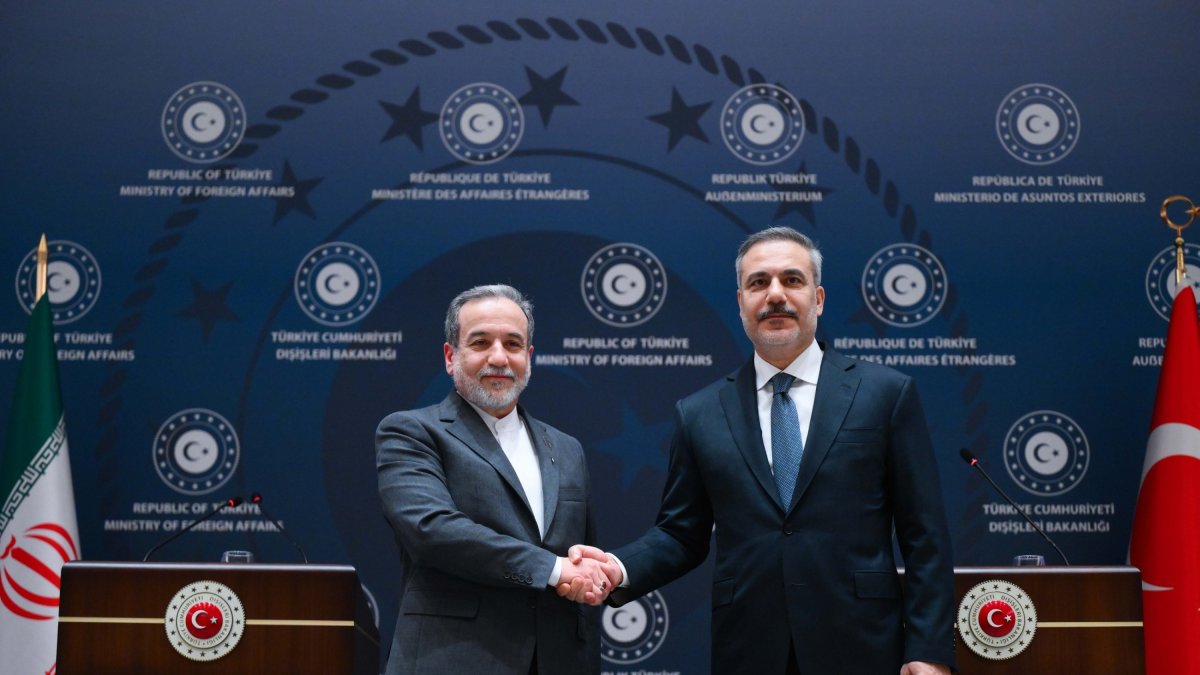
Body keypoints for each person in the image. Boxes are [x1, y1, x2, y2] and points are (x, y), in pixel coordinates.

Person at [562, 228, 957, 674]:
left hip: (862, 644)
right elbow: (681, 534)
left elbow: (924, 538)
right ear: (740, 303)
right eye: (758, 283)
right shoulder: (700, 412)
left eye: (792, 280)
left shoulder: (885, 394)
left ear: (819, 298)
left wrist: (929, 650)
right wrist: (617, 567)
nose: (775, 295)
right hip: (749, 648)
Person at [376, 284, 613, 674]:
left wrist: (588, 575)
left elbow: (580, 562)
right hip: (454, 661)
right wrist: (554, 569)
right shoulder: (411, 432)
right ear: (451, 356)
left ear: (529, 357)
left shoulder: (568, 448)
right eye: (481, 342)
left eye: (513, 344)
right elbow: (431, 530)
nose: (499, 357)